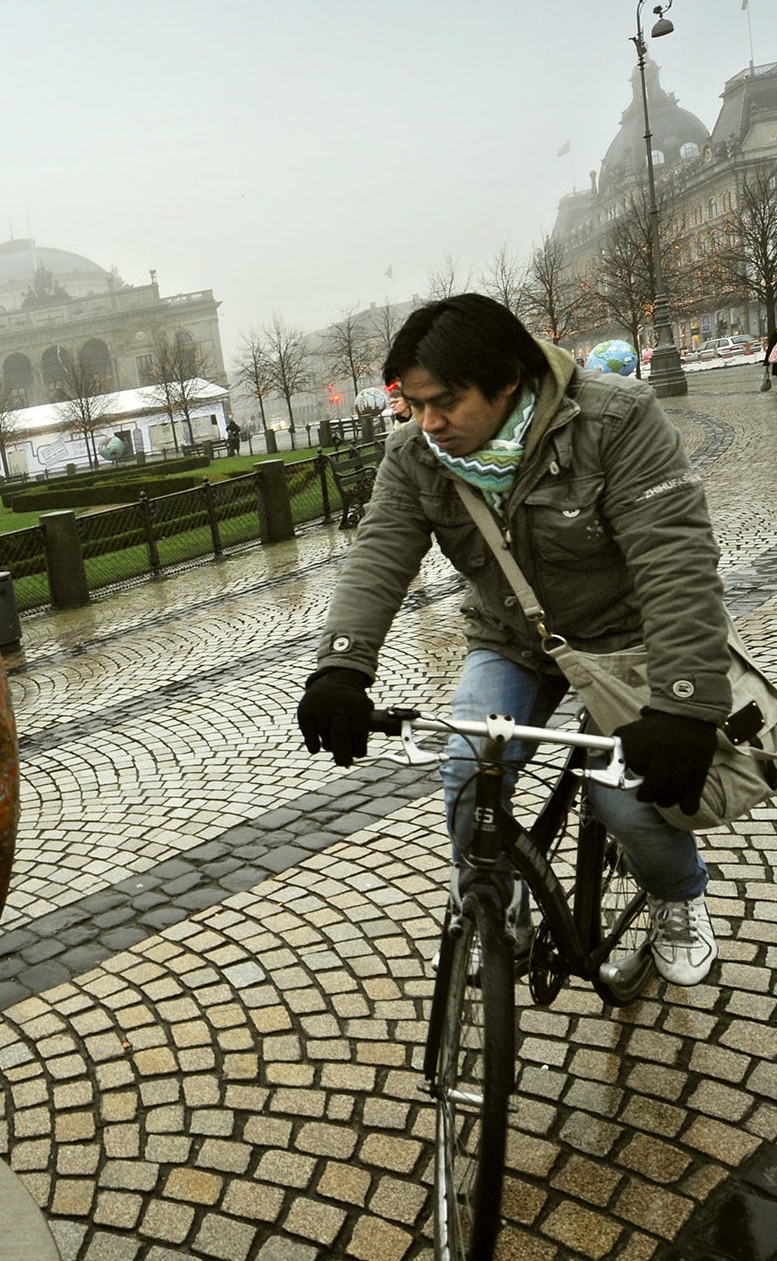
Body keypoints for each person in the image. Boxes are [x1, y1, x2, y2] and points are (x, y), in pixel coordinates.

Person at [295, 294, 729, 986]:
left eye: (444, 403)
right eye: (414, 404)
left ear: (507, 381)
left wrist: (682, 703)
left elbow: (674, 559)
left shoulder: (617, 418)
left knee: (627, 801)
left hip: (628, 640)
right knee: (470, 768)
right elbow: (379, 555)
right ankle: (499, 905)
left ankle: (679, 897)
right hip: (512, 637)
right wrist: (340, 670)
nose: (428, 424)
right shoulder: (416, 451)